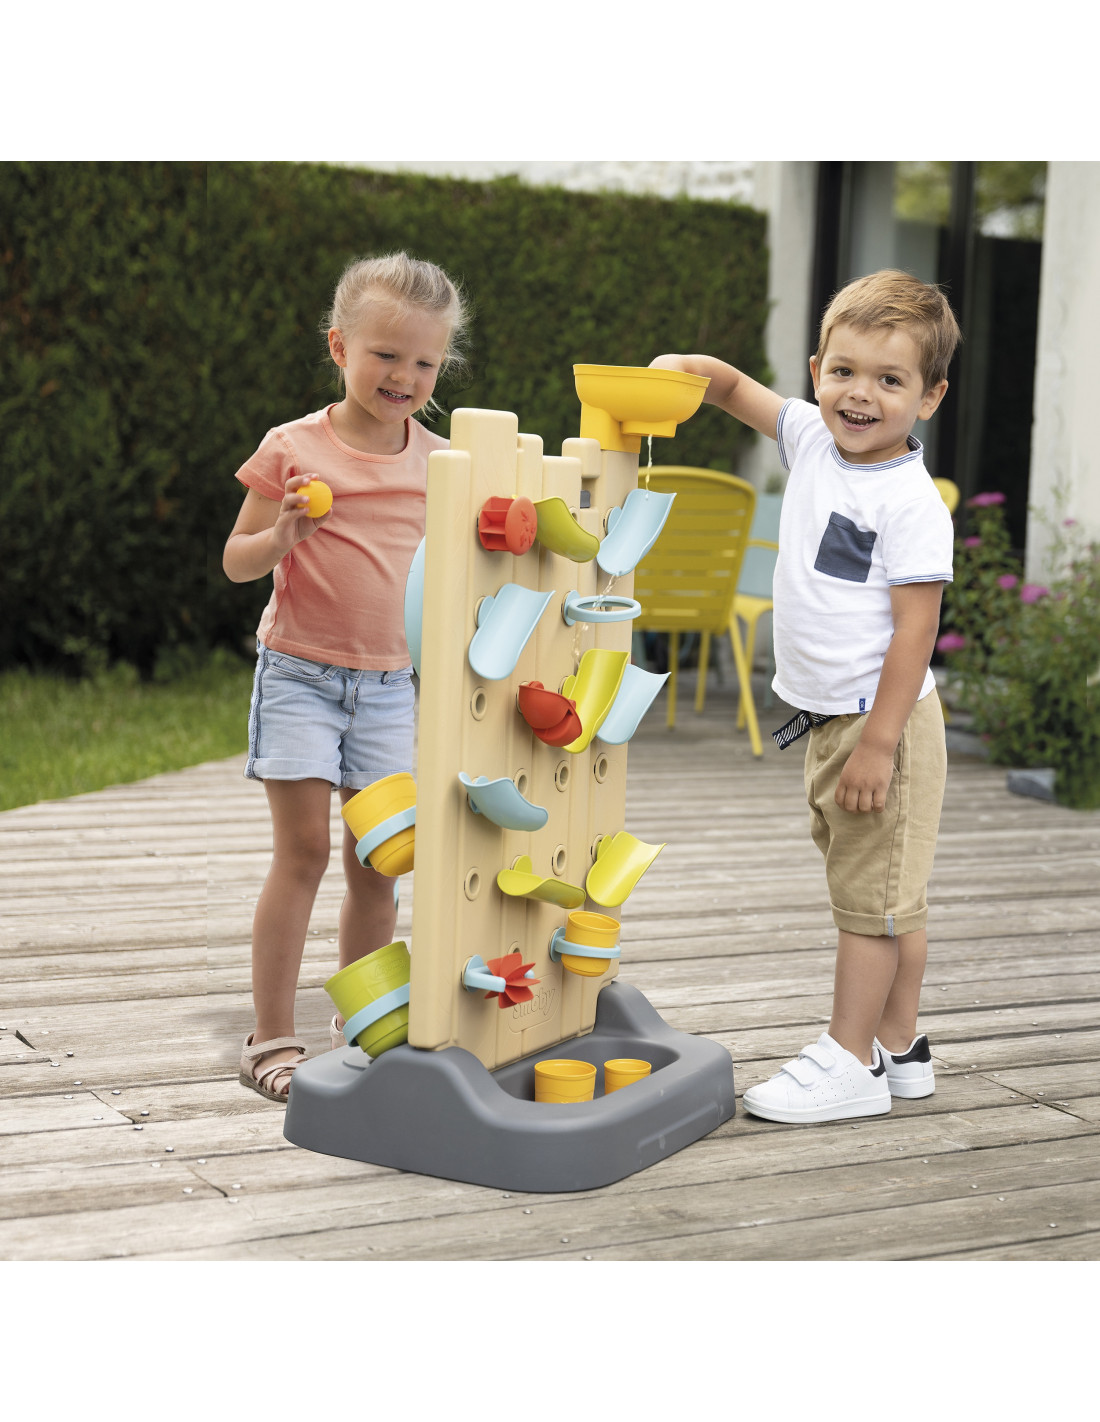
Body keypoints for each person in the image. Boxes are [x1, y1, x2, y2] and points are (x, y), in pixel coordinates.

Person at [651, 268, 962, 1123]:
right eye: (845, 372)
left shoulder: (910, 503)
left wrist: (879, 745)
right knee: (890, 894)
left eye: (890, 380)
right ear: (819, 370)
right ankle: (900, 1045)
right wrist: (685, 371)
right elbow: (731, 389)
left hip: (881, 727)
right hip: (831, 724)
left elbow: (915, 634)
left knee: (870, 906)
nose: (860, 395)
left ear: (929, 397)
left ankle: (849, 1060)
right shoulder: (811, 440)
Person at [223, 251, 470, 1102]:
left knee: (380, 863)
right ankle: (270, 1035)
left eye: (424, 362)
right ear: (340, 347)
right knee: (304, 852)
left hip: (390, 688)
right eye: (385, 355)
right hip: (299, 676)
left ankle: (360, 1023)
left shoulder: (443, 462)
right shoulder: (292, 447)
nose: (404, 377)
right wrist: (281, 536)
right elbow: (236, 560)